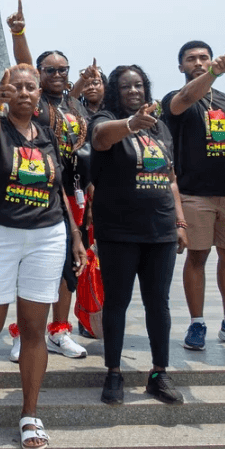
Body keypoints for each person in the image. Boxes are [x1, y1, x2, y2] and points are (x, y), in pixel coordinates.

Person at [0, 65, 85, 449]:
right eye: (15, 87)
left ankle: (29, 412)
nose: (23, 92)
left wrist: (74, 233)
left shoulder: (48, 137)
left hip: (47, 236)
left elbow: (57, 189)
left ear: (40, 93)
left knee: (32, 327)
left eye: (30, 87)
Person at [90, 66, 187, 405]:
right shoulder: (106, 117)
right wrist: (131, 124)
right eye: (125, 86)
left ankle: (159, 373)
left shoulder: (159, 127)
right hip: (119, 229)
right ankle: (113, 372)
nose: (133, 91)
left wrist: (180, 222)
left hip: (160, 229)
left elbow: (171, 177)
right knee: (117, 302)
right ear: (115, 91)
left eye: (139, 85)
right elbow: (102, 137)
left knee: (158, 303)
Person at [161, 41, 225, 353]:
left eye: (204, 57)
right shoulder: (175, 100)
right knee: (198, 257)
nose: (199, 62)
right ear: (181, 67)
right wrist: (215, 73)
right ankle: (197, 322)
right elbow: (187, 97)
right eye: (191, 59)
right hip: (193, 193)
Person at [7, 3, 88, 359]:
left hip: (75, 192)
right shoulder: (38, 105)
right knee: (28, 263)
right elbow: (23, 67)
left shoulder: (76, 105)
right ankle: (22, 333)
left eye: (62, 69)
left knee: (69, 266)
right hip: (39, 190)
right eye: (49, 69)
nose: (57, 74)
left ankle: (59, 329)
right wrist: (19, 34)